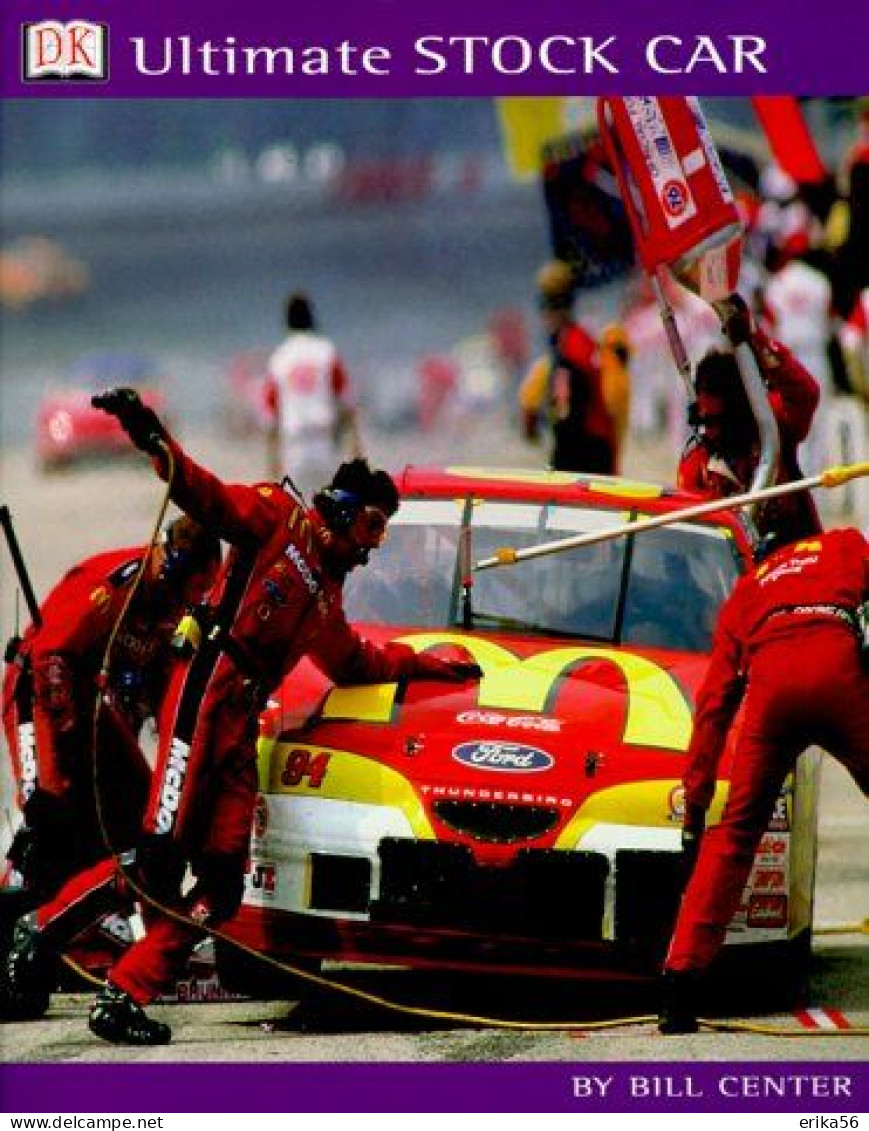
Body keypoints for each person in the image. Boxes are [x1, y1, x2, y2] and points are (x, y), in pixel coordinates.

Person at [83, 387, 483, 1045]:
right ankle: (45, 926)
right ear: (346, 512)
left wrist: (432, 663)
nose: (375, 546)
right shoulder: (277, 516)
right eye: (374, 526)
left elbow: (355, 663)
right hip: (203, 687)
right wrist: (150, 433)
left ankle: (125, 989)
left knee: (221, 885)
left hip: (241, 721)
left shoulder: (326, 598)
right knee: (159, 849)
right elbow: (205, 495)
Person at [0, 518, 222, 1019]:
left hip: (94, 707)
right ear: (174, 566)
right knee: (50, 812)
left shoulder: (177, 613)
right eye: (194, 586)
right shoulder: (118, 583)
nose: (195, 600)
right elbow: (50, 659)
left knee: (146, 812)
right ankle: (28, 940)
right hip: (38, 695)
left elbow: (170, 699)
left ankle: (149, 935)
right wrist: (62, 750)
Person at [658, 526, 869, 1034]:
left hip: (771, 692)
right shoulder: (843, 544)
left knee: (735, 835)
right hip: (838, 670)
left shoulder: (747, 588)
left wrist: (696, 804)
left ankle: (679, 988)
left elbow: (713, 705)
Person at [677, 297, 822, 545]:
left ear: (740, 411)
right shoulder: (697, 463)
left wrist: (755, 338)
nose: (710, 431)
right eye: (705, 420)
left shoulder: (772, 427)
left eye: (718, 421)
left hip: (795, 557)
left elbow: (805, 392)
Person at [519, 260, 616, 474]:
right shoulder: (583, 342)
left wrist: (558, 466)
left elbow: (568, 417)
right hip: (598, 449)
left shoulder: (569, 351)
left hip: (585, 456)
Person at [264, 291, 361, 496]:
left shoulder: (279, 358)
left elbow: (271, 417)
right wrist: (355, 446)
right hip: (324, 443)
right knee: (330, 515)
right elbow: (347, 403)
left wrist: (272, 460)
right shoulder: (326, 352)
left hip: (294, 447)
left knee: (296, 516)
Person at [599, 323, 632, 474]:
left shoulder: (607, 370)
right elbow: (609, 407)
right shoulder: (614, 373)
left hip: (611, 438)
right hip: (606, 439)